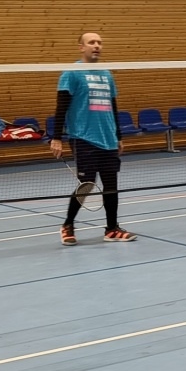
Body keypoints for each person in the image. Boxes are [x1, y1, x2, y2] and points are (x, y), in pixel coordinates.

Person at [50, 31, 135, 244]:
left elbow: (113, 106)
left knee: (111, 185)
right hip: (83, 137)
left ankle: (112, 229)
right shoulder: (72, 73)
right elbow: (61, 107)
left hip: (108, 138)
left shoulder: (107, 74)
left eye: (99, 42)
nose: (96, 45)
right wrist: (57, 138)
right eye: (91, 42)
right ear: (81, 47)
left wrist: (118, 136)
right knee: (87, 184)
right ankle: (68, 224)